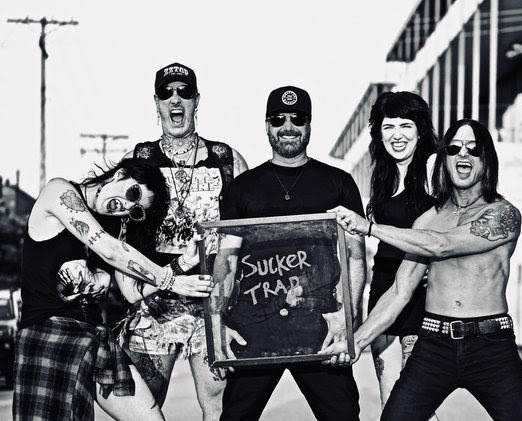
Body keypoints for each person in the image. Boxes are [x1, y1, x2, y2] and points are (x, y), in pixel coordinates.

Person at [324, 119, 522, 420]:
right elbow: (399, 291)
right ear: (444, 159)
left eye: (473, 149)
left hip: (490, 345)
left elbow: (442, 245)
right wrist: (356, 342)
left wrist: (370, 228)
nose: (462, 154)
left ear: (486, 159)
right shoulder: (428, 220)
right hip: (434, 345)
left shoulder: (502, 214)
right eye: (454, 148)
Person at [13, 158, 212, 421]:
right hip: (49, 334)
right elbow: (110, 250)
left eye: (136, 211)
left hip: (96, 338)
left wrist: (182, 264)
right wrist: (170, 281)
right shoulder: (59, 191)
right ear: (121, 174)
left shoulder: (115, 227)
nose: (127, 207)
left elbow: (131, 291)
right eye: (134, 194)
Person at [213, 85, 367, 421]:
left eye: (297, 118)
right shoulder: (242, 188)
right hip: (255, 327)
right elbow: (227, 260)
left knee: (342, 416)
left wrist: (348, 320)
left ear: (309, 124)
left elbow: (354, 255)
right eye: (278, 119)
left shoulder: (338, 182)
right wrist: (217, 321)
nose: (288, 126)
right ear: (266, 125)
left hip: (320, 326)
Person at [117, 62, 248, 419]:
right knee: (143, 407)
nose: (175, 99)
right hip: (154, 303)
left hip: (211, 304)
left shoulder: (226, 159)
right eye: (166, 93)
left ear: (196, 100)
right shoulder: (138, 160)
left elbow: (247, 233)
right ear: (156, 102)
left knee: (218, 408)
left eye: (184, 92)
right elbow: (119, 237)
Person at [363, 91, 438, 411]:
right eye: (388, 126)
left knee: (416, 404)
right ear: (379, 133)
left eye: (405, 125)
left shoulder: (435, 169)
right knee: (390, 401)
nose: (397, 135)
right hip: (383, 285)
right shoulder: (382, 174)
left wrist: (438, 266)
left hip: (422, 291)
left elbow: (454, 227)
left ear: (420, 130)